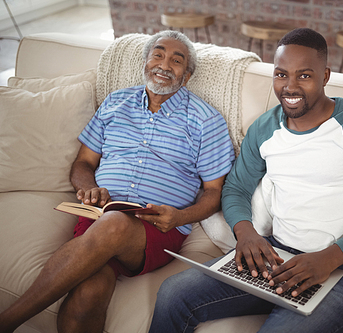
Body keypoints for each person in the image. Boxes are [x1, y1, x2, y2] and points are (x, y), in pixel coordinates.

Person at [148, 28, 343, 333]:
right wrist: (245, 233)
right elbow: (236, 188)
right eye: (281, 75)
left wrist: (328, 259)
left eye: (304, 76)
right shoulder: (265, 128)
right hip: (277, 255)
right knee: (173, 294)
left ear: (325, 76)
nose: (290, 87)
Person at [0, 30, 234, 333]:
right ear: (146, 62)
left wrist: (180, 216)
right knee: (88, 293)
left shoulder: (206, 120)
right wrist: (88, 188)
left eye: (177, 61)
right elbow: (83, 163)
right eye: (158, 54)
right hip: (99, 215)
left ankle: (8, 321)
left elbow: (214, 192)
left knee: (115, 224)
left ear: (186, 76)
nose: (165, 65)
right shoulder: (115, 103)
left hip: (157, 226)